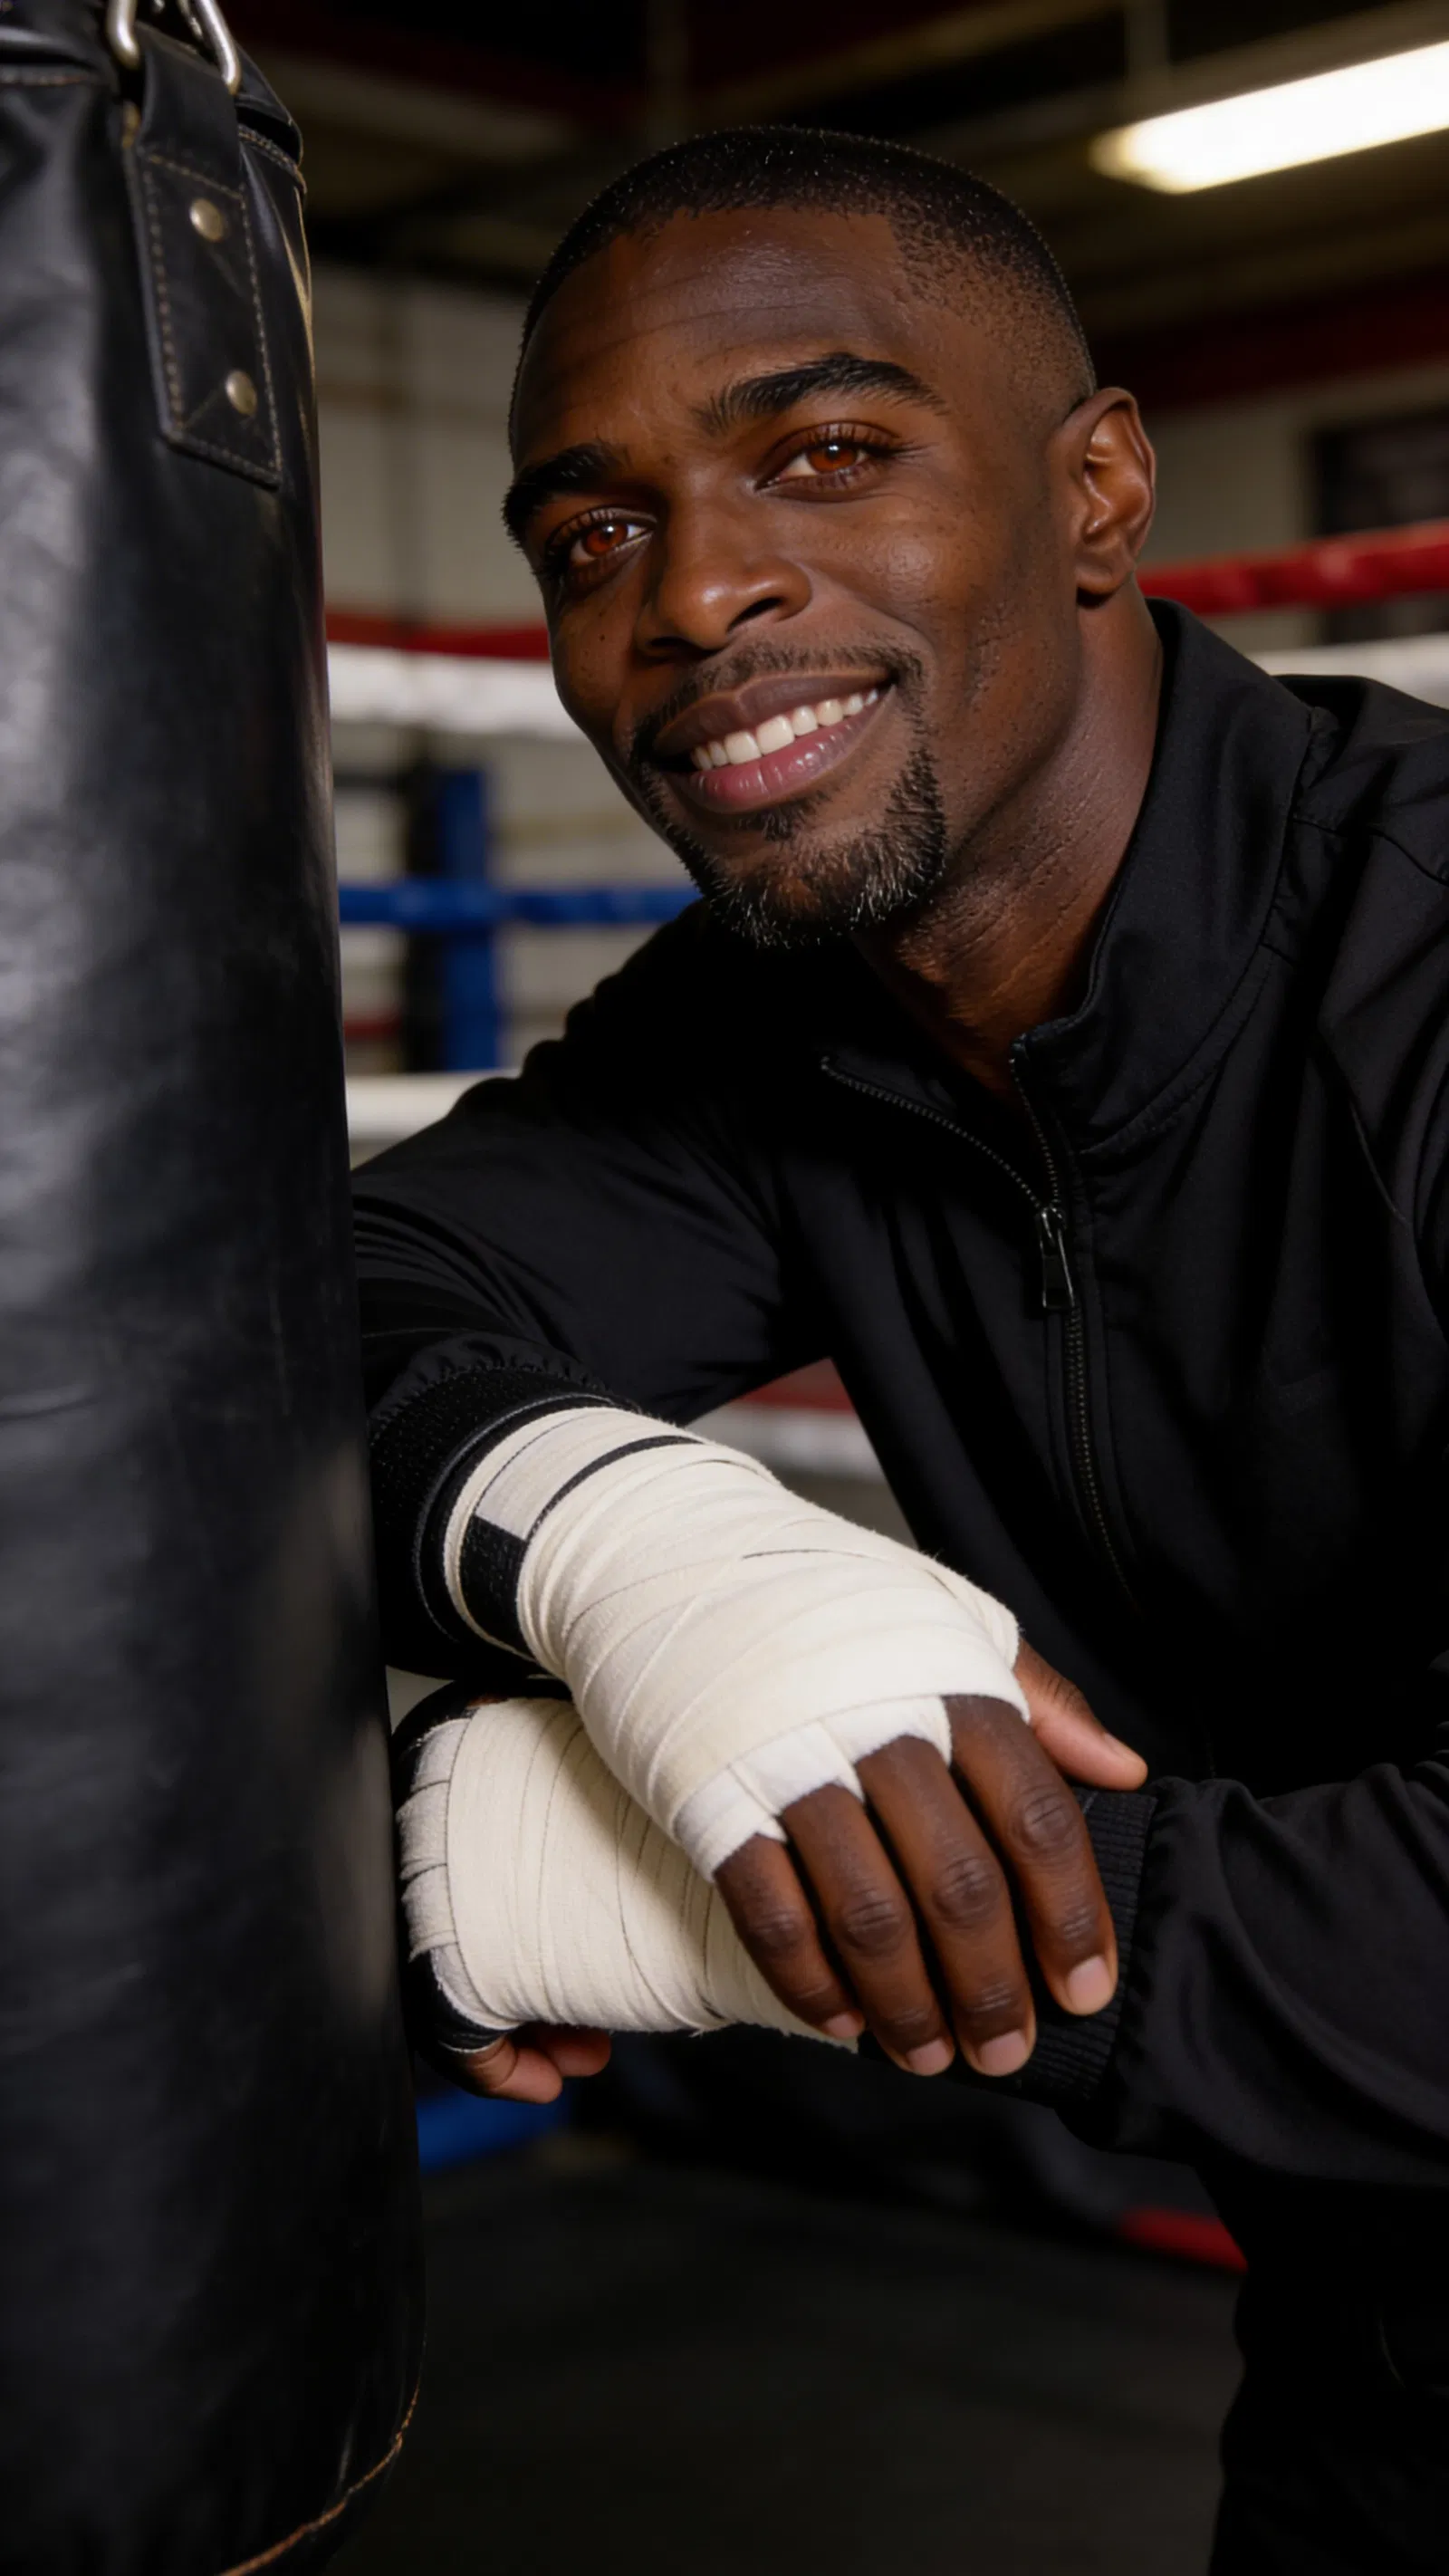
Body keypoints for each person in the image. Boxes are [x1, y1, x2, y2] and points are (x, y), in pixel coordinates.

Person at [356, 128, 1449, 2570]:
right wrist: (635, 1554)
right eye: (589, 531)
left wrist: (656, 1886)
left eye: (826, 454)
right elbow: (316, 1323)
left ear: (1100, 489)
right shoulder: (773, 1034)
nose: (699, 591)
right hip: (1376, 2370)